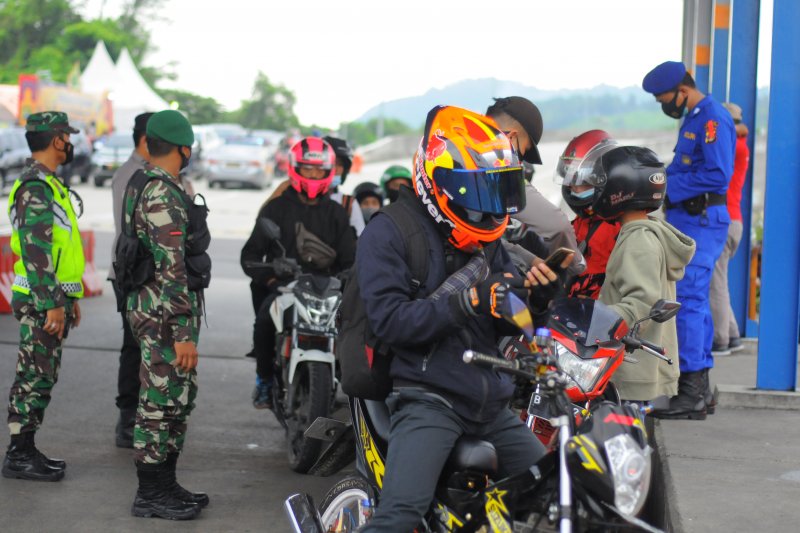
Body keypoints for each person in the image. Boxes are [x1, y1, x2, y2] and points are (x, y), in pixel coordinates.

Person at [357, 106, 567, 531]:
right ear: (443, 184)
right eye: (481, 193)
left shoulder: (487, 239)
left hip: (491, 403)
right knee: (401, 514)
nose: (492, 208)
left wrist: (539, 303)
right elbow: (391, 322)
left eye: (497, 193)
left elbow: (508, 315)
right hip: (428, 398)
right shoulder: (389, 231)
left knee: (553, 495)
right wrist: (468, 300)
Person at [123, 110, 210, 520]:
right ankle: (151, 493)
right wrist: (182, 332)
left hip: (156, 308)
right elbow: (171, 266)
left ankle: (166, 484)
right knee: (159, 402)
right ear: (184, 148)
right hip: (163, 314)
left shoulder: (146, 182)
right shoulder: (160, 193)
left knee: (176, 397)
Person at [642, 61, 735, 420]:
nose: (663, 105)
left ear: (682, 90)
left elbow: (717, 173)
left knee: (690, 302)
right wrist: (653, 181)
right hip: (687, 220)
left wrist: (667, 189)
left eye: (664, 98)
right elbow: (682, 166)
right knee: (693, 302)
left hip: (702, 220)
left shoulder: (712, 119)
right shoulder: (693, 119)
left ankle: (691, 390)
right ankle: (702, 390)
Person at [241, 137, 356, 409]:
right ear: (296, 169)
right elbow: (250, 256)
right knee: (264, 324)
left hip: (326, 292)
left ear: (330, 172)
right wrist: (271, 276)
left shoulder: (338, 214)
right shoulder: (276, 208)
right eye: (308, 169)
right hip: (285, 289)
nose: (314, 175)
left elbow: (351, 259)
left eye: (319, 170)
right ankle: (264, 380)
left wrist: (345, 279)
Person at [575, 145, 695, 402]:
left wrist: (592, 323)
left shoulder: (638, 240)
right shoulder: (644, 232)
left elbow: (642, 303)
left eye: (601, 184)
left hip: (632, 368)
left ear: (620, 190)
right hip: (637, 365)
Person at [2, 111, 84, 482]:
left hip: (50, 296)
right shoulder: (36, 187)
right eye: (67, 136)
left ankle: (26, 448)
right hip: (39, 298)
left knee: (42, 374)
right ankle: (19, 455)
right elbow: (36, 252)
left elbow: (62, 250)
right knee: (33, 374)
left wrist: (70, 296)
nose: (70, 142)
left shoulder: (49, 183)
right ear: (56, 140)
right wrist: (52, 302)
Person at [485, 96, 586, 276]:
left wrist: (532, 260)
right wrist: (577, 267)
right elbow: (557, 226)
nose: (520, 162)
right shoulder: (496, 165)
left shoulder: (453, 146)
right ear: (511, 137)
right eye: (523, 152)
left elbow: (486, 242)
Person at [109, 112, 152, 449]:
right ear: (146, 139)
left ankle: (144, 416)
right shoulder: (132, 175)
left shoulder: (152, 173)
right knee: (134, 347)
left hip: (146, 273)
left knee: (146, 348)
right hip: (133, 273)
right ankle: (127, 418)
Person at [556, 130, 622, 299]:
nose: (573, 189)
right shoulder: (581, 222)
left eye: (581, 183)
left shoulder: (618, 228)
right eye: (570, 182)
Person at [710, 102, 750, 356]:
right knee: (720, 281)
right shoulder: (742, 145)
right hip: (734, 221)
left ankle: (720, 340)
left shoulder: (732, 145)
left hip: (725, 221)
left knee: (715, 283)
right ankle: (732, 334)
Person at [323, 135, 365, 236]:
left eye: (340, 164)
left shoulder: (348, 203)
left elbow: (360, 241)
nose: (336, 169)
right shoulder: (298, 197)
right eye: (332, 163)